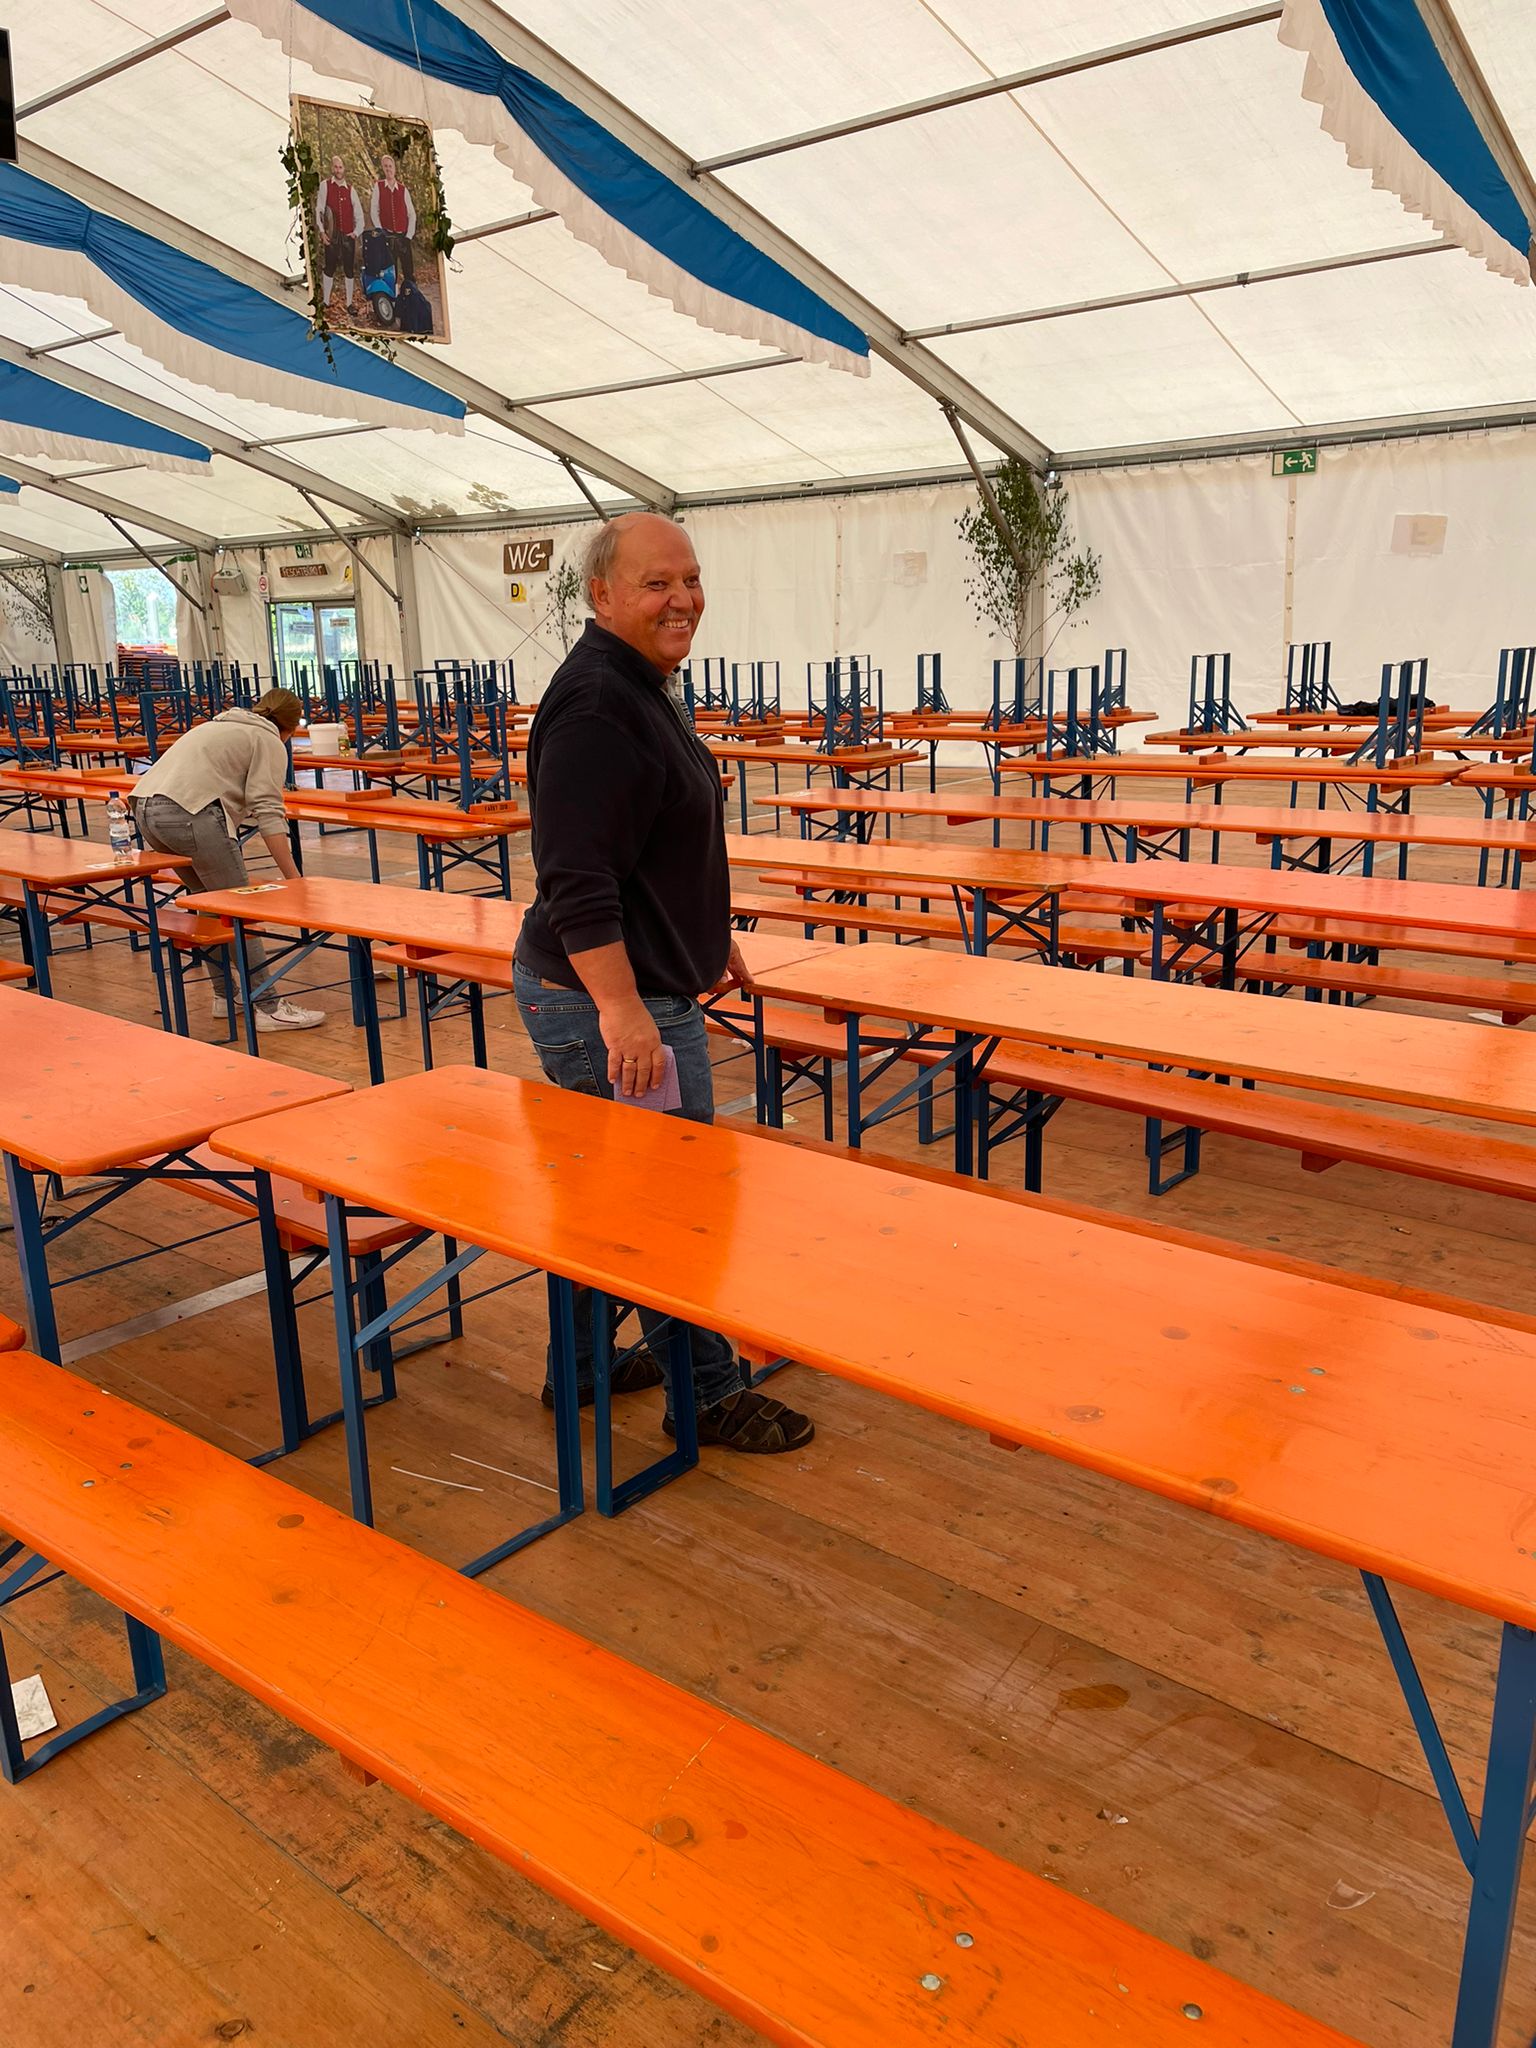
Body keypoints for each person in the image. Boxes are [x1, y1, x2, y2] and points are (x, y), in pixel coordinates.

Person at [514, 513, 814, 1456]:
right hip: (610, 1001)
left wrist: (705, 937)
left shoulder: (640, 684)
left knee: (612, 1199)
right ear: (601, 596)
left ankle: (583, 1367)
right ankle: (710, 1395)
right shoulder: (599, 707)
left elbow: (653, 842)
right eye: (656, 583)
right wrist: (622, 1010)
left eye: (690, 579)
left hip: (627, 985)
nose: (682, 599)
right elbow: (576, 880)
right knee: (672, 1208)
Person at [132, 688, 324, 1033]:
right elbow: (268, 811)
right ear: (291, 727)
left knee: (210, 903)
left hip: (145, 811)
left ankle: (226, 995)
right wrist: (295, 879)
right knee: (239, 908)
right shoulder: (268, 739)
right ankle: (268, 1006)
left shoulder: (218, 725)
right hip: (189, 813)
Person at [315, 154, 365, 318]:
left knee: (349, 270)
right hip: (332, 236)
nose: (338, 170)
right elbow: (319, 210)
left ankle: (349, 304)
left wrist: (355, 233)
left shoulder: (351, 190)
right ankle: (326, 301)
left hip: (347, 237)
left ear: (344, 169)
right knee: (329, 268)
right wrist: (322, 232)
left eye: (340, 167)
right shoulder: (325, 186)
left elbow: (359, 215)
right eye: (335, 167)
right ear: (332, 168)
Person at [368, 153, 417, 288]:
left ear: (394, 168)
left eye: (390, 166)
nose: (388, 169)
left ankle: (411, 295)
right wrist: (380, 230)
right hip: (387, 235)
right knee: (391, 271)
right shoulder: (378, 187)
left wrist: (408, 236)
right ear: (383, 168)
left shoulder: (403, 190)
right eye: (385, 166)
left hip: (403, 236)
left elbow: (412, 214)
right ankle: (394, 296)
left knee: (408, 271)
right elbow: (374, 210)